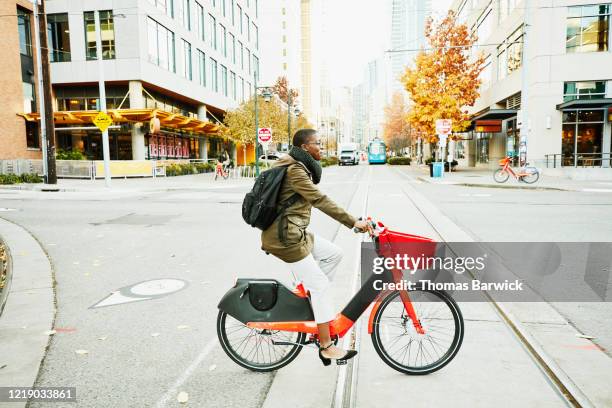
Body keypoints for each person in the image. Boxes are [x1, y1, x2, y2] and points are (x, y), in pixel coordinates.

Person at [261, 128, 372, 366]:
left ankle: (311, 302)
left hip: (294, 231)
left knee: (334, 254)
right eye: (317, 144)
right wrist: (354, 222)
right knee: (320, 285)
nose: (320, 148)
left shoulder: (297, 165)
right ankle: (326, 346)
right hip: (286, 238)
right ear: (304, 148)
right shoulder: (295, 171)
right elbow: (320, 200)